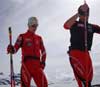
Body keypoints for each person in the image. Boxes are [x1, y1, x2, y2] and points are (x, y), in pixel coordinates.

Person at [63, 3, 100, 87]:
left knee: (89, 77)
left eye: (87, 14)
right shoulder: (74, 24)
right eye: (83, 14)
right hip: (75, 53)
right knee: (82, 79)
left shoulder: (91, 26)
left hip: (86, 53)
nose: (85, 16)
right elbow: (65, 25)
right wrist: (78, 13)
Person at [7, 17, 48, 87]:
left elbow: (44, 51)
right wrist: (11, 49)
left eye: (36, 26)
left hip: (37, 66)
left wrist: (43, 62)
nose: (35, 28)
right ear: (28, 25)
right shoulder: (22, 36)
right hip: (26, 66)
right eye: (33, 26)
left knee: (44, 85)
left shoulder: (39, 38)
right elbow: (15, 48)